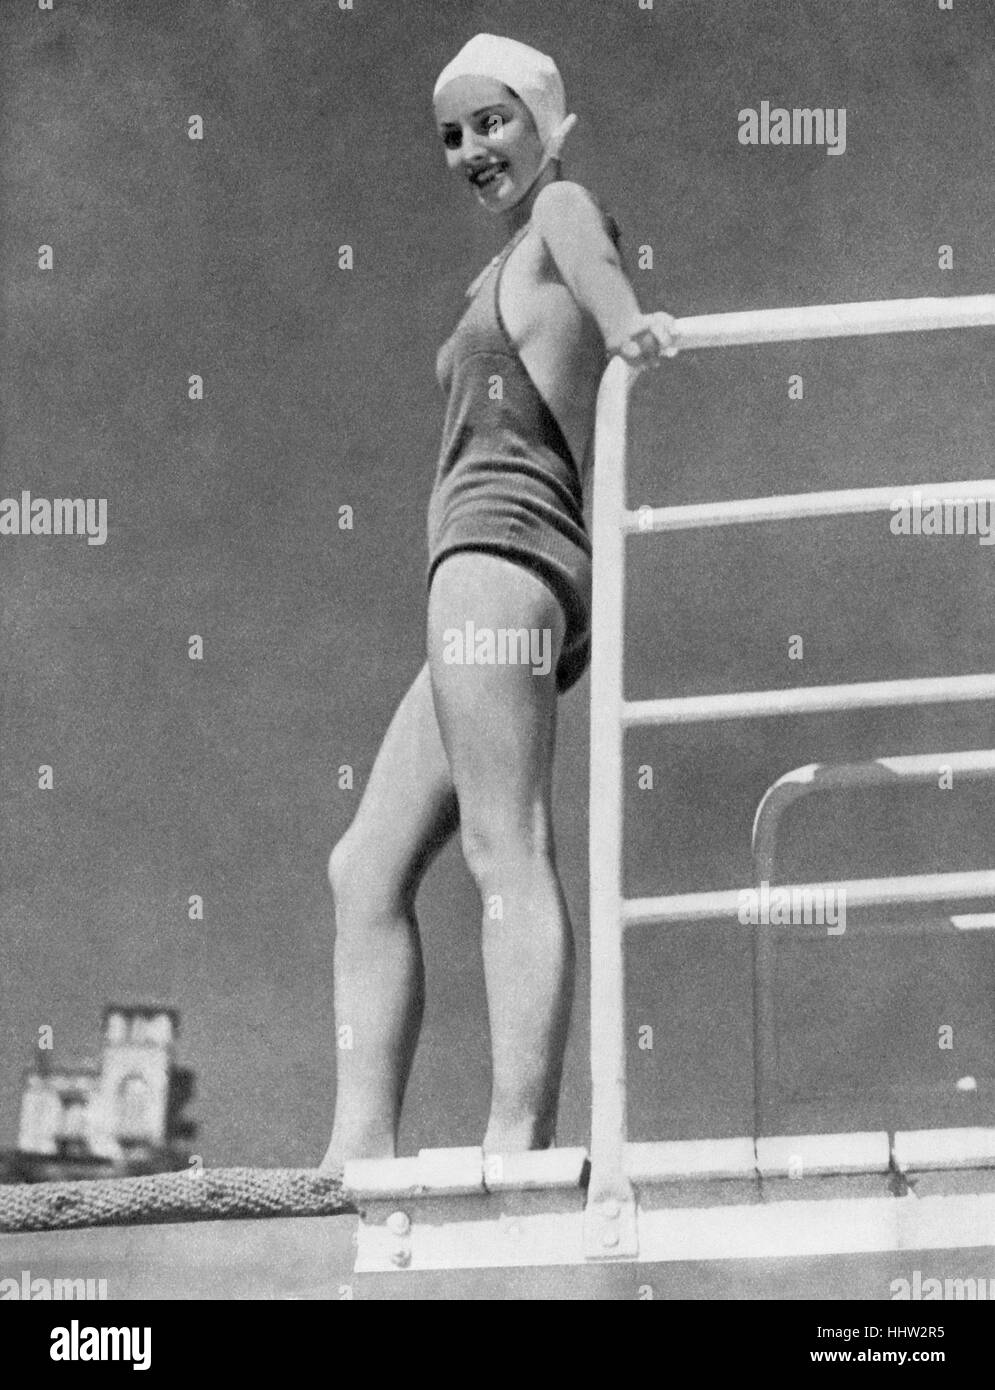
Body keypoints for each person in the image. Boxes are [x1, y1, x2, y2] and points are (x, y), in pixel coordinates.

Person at [321, 33, 674, 1169]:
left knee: (503, 845)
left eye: (494, 121)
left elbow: (587, 247)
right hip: (478, 569)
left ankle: (514, 1139)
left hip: (502, 554)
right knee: (363, 867)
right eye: (453, 133)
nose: (473, 147)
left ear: (544, 122)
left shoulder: (559, 216)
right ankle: (355, 1150)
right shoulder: (496, 271)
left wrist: (625, 327)